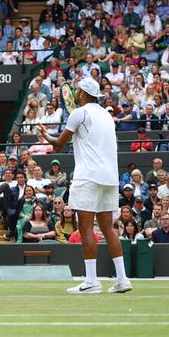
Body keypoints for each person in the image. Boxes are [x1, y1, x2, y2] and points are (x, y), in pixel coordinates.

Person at [38, 77, 131, 294]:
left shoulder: (79, 113)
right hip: (109, 178)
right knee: (108, 229)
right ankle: (123, 279)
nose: (75, 94)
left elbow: (59, 145)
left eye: (77, 91)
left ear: (82, 93)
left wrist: (45, 135)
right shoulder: (107, 116)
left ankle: (91, 281)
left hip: (88, 177)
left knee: (85, 228)